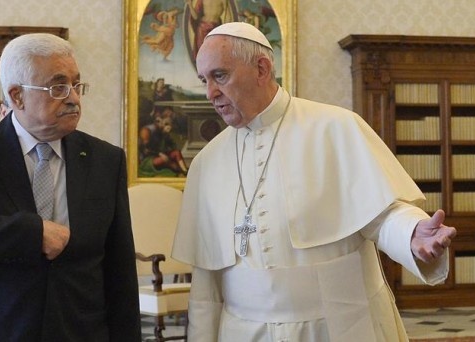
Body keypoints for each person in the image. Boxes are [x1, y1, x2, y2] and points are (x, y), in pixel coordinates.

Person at [171, 22, 457, 341]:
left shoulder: (335, 128)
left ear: (261, 69)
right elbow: (205, 287)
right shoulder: (206, 163)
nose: (210, 92)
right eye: (204, 80)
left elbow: (382, 214)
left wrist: (412, 233)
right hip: (244, 332)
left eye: (220, 76)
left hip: (337, 327)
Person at [0, 33, 141, 341]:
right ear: (17, 96)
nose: (74, 97)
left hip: (79, 332)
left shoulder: (106, 160)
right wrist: (28, 232)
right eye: (58, 86)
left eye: (77, 84)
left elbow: (120, 272)